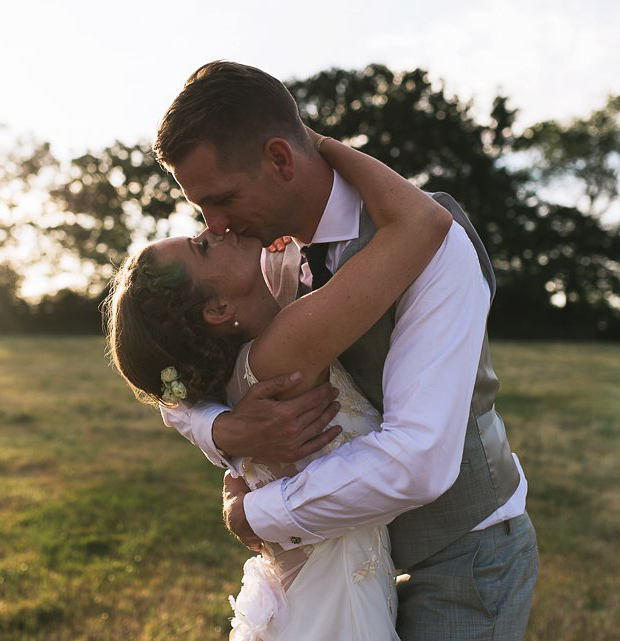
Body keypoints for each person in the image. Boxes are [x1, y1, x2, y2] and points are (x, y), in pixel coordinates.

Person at [151, 61, 538, 641]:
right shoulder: (252, 258)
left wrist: (254, 514)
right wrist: (225, 430)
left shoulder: (432, 241)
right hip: (352, 564)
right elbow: (174, 365)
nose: (216, 225)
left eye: (223, 198)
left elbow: (419, 461)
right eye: (203, 208)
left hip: (465, 553)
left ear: (281, 160)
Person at [107, 126, 451, 640]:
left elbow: (172, 395)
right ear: (218, 308)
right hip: (332, 611)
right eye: (203, 247)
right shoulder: (283, 351)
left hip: (315, 592)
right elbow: (422, 222)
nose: (216, 229)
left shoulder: (235, 364)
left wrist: (217, 430)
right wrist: (316, 143)